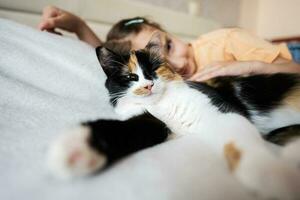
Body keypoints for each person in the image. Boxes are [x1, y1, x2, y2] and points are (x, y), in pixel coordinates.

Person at [39, 6, 300, 81]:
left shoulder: (226, 40)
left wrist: (251, 67)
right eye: (159, 63)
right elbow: (114, 61)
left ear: (171, 34)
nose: (177, 65)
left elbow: (294, 71)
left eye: (170, 47)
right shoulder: (169, 77)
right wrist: (80, 27)